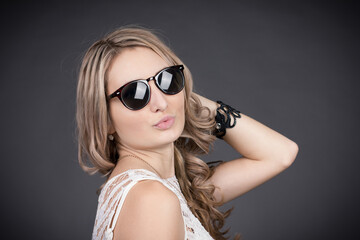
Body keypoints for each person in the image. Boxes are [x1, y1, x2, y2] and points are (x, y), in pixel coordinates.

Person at [76, 26, 299, 240]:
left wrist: (184, 98)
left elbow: (280, 153)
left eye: (168, 79)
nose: (160, 103)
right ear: (105, 120)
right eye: (134, 93)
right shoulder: (152, 198)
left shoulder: (173, 188)